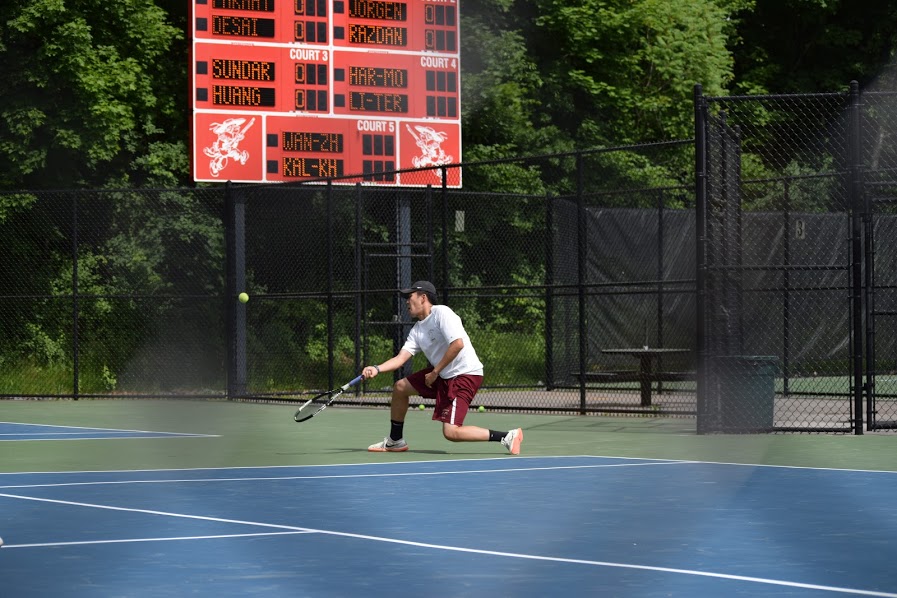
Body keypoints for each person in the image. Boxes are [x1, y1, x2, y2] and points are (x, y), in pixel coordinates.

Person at [362, 281, 523, 455]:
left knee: (451, 432)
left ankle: (507, 436)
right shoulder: (417, 330)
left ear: (423, 298)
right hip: (443, 374)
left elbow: (457, 344)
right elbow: (400, 358)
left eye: (410, 297)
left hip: (465, 374)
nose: (406, 302)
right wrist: (377, 368)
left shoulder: (442, 313)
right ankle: (395, 441)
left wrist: (435, 372)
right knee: (400, 387)